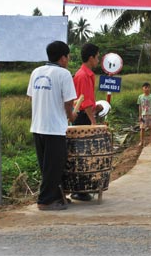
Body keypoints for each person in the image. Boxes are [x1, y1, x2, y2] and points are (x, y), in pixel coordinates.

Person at [27, 41, 77, 211]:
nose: (68, 59)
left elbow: (31, 97)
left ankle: (56, 196)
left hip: (38, 126)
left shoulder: (36, 72)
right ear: (63, 57)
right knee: (54, 166)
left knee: (46, 166)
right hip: (55, 128)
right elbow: (69, 102)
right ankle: (45, 201)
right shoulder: (64, 74)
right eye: (68, 56)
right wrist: (71, 116)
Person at [71, 43, 102, 201]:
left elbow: (88, 102)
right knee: (83, 154)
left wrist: (95, 107)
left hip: (84, 115)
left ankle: (83, 188)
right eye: (97, 56)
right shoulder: (83, 76)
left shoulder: (86, 74)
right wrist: (93, 122)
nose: (98, 59)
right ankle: (79, 189)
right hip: (83, 118)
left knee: (84, 153)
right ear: (91, 58)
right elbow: (85, 103)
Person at [137, 82, 151, 147]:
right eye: (145, 87)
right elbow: (140, 106)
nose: (147, 89)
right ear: (143, 88)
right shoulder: (140, 97)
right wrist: (140, 115)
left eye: (148, 87)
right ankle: (141, 141)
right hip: (143, 115)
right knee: (142, 128)